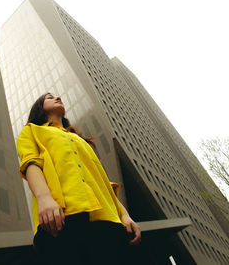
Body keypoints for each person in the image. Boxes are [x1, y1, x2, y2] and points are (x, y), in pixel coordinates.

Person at [16, 93, 141, 265]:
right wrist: (44, 199)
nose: (57, 97)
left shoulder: (80, 140)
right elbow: (31, 164)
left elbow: (102, 182)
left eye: (57, 95)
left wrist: (124, 215)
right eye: (50, 97)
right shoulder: (31, 131)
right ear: (39, 106)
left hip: (106, 220)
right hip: (61, 218)